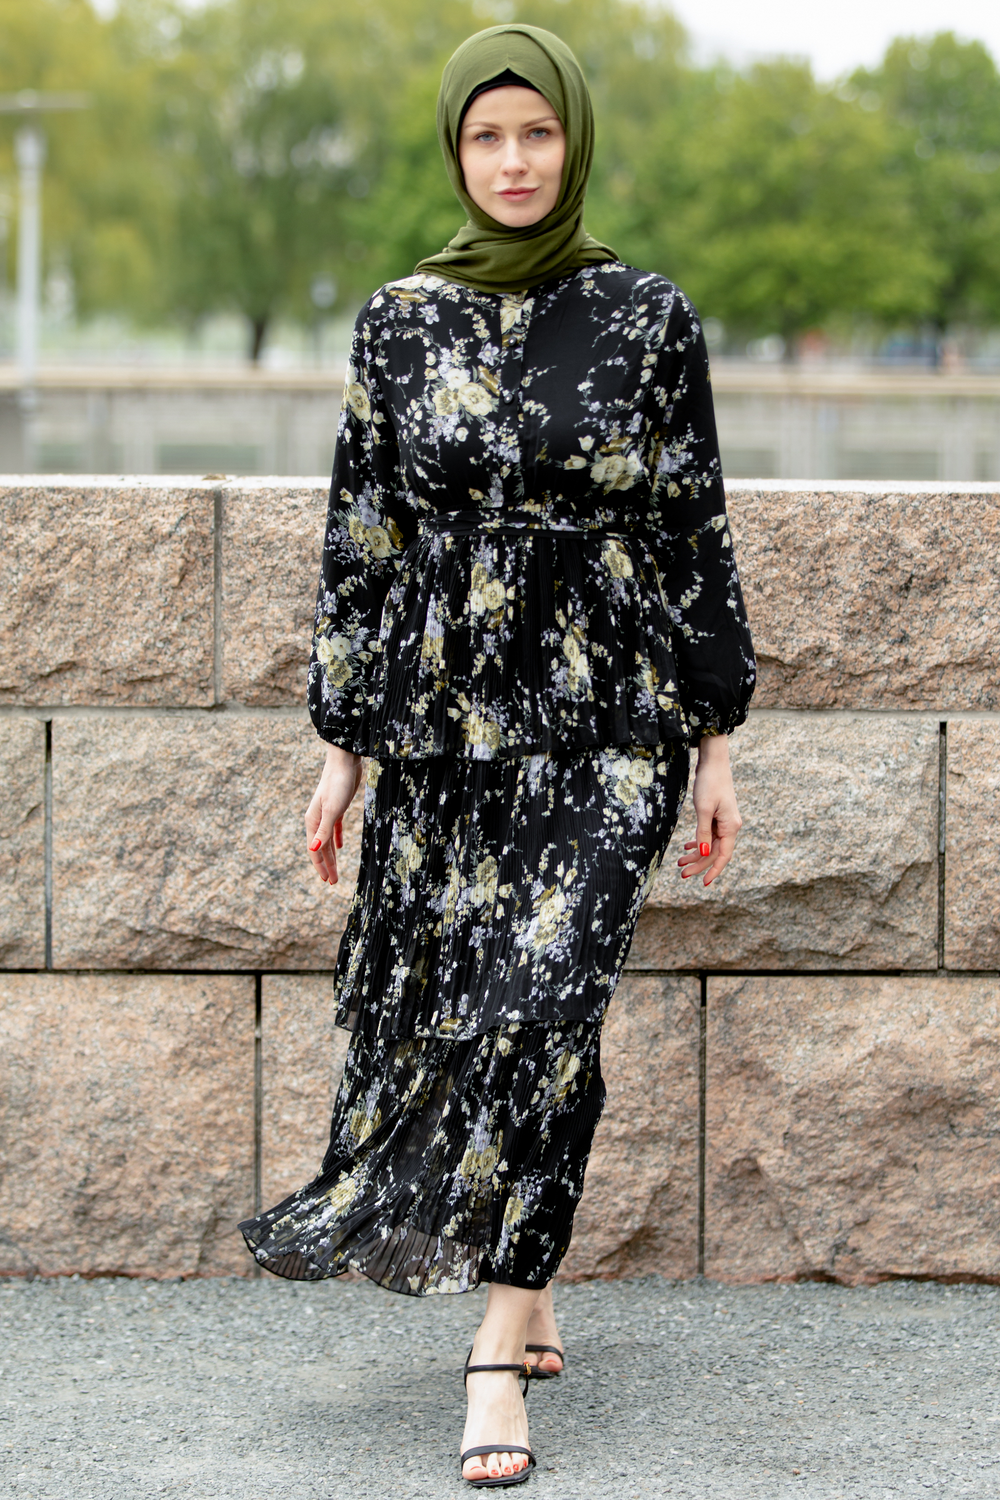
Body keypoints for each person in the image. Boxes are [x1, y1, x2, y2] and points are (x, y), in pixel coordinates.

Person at [240, 22, 755, 1489]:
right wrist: (342, 744)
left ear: (574, 142)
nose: (515, 162)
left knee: (544, 1005)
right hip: (448, 724)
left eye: (537, 134)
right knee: (476, 1017)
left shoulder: (649, 317)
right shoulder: (399, 320)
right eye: (487, 138)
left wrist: (717, 739)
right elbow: (365, 540)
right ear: (458, 152)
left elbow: (692, 530)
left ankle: (493, 1345)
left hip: (613, 724)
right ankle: (532, 1289)